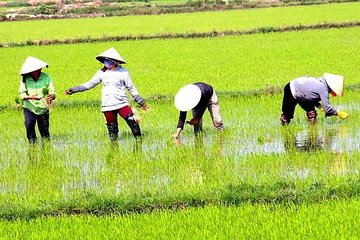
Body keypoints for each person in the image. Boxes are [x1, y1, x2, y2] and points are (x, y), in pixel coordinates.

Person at [65, 47, 148, 141]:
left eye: (108, 60)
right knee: (112, 129)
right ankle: (114, 147)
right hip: (107, 105)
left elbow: (131, 88)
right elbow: (89, 84)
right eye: (104, 61)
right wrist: (74, 89)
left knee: (132, 122)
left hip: (122, 103)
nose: (106, 63)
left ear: (115, 61)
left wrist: (141, 102)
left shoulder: (123, 72)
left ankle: (139, 142)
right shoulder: (101, 73)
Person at [280, 73, 348, 125]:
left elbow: (310, 96)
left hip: (302, 94)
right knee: (287, 115)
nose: (334, 94)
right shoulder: (323, 88)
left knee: (312, 113)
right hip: (291, 89)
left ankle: (313, 133)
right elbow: (328, 110)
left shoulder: (321, 84)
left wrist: (319, 106)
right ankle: (285, 130)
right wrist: (339, 113)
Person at [19, 56, 56, 143]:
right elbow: (21, 93)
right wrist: (30, 97)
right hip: (29, 107)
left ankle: (46, 150)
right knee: (29, 126)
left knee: (45, 133)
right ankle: (32, 148)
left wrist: (52, 96)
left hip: (43, 108)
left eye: (39, 69)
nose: (38, 70)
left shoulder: (46, 77)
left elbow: (52, 91)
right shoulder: (25, 78)